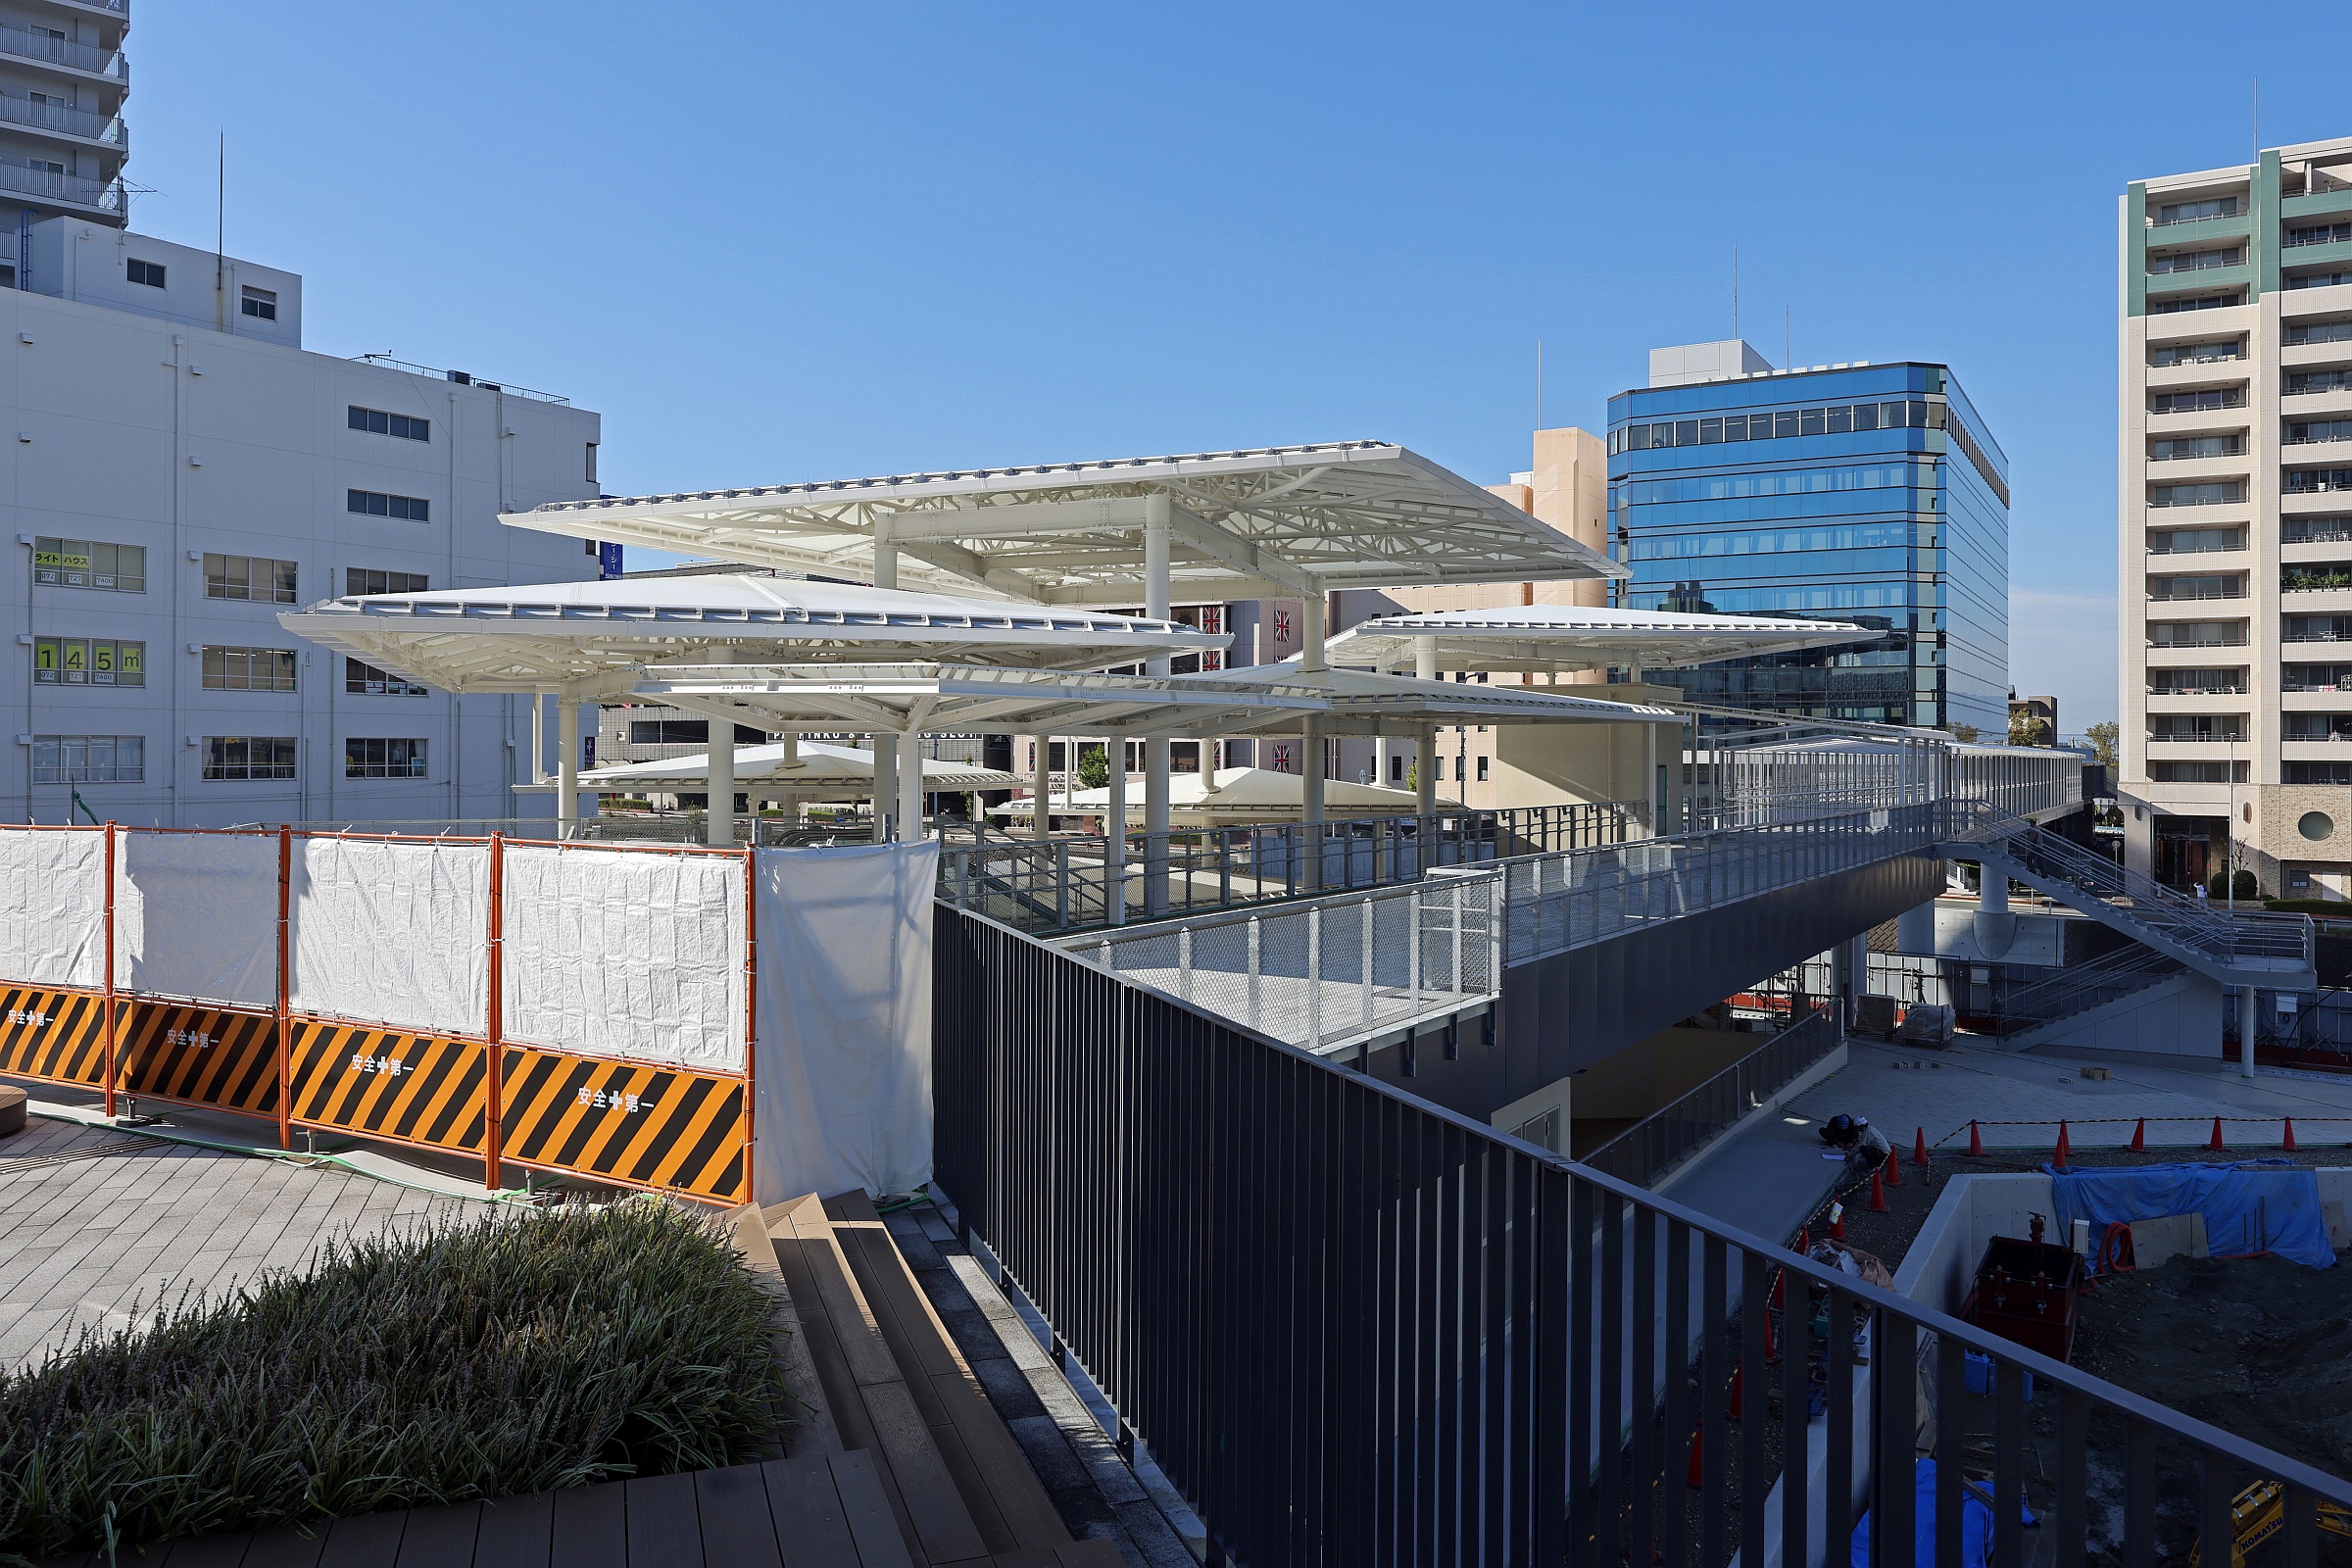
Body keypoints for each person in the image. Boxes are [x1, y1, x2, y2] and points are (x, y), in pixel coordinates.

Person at [1819, 1112, 1893, 1173]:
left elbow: (1861, 1145)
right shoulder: (1868, 1130)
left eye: (1856, 1127)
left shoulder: (1868, 1132)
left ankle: (1873, 1166)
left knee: (1864, 1148)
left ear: (1860, 1126)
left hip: (1884, 1156)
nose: (1855, 1129)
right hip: (1882, 1153)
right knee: (1863, 1148)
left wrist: (1850, 1154)